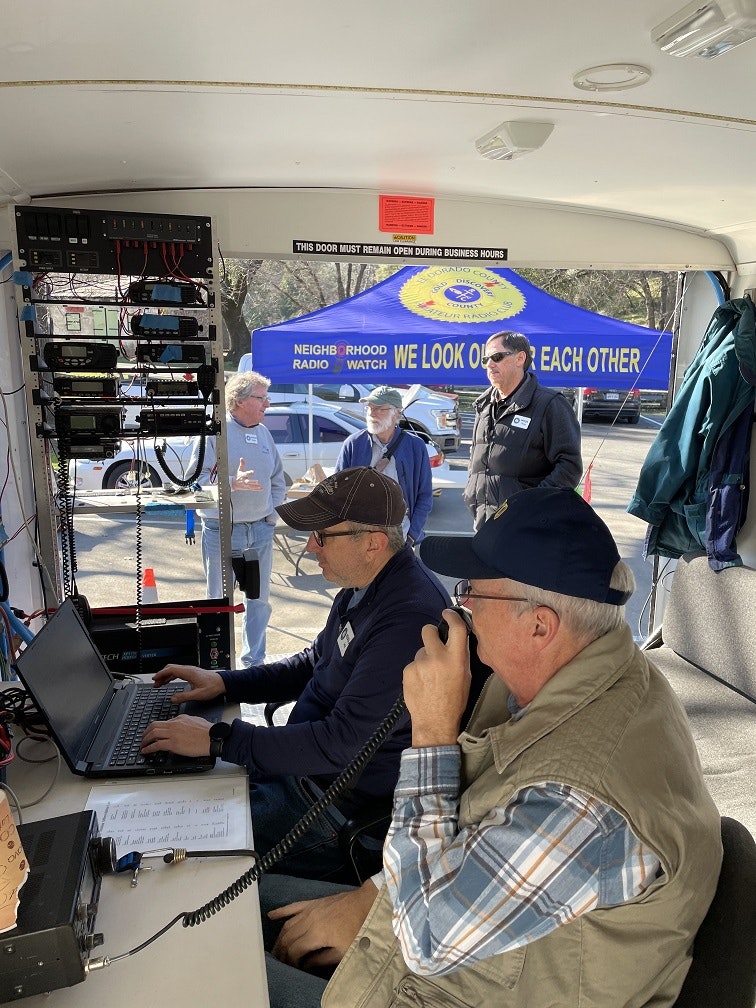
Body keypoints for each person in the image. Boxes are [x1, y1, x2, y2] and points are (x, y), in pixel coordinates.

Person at [258, 487, 723, 1008]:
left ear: (540, 625)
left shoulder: (579, 802)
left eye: (474, 593)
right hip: (457, 937)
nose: (460, 607)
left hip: (443, 970)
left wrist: (431, 734)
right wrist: (370, 896)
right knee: (242, 907)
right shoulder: (555, 676)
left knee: (210, 971)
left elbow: (424, 939)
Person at [141, 466, 450, 881]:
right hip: (301, 774)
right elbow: (312, 663)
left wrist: (218, 739)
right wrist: (225, 682)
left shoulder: (407, 619)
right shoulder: (365, 584)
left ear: (373, 543)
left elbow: (341, 745)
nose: (309, 547)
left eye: (322, 535)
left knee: (186, 853)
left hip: (330, 809)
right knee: (180, 800)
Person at [188, 369, 286, 667]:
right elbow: (194, 487)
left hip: (260, 531)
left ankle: (253, 664)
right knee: (218, 600)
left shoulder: (264, 433)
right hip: (221, 531)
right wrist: (230, 483)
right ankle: (217, 665)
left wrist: (271, 515)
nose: (267, 404)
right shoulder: (213, 433)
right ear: (240, 400)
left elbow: (278, 480)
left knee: (259, 601)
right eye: (261, 398)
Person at [465, 330, 582, 530]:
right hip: (484, 525)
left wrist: (530, 507)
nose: (490, 364)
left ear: (520, 358)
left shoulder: (550, 405)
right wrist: (471, 494)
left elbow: (569, 467)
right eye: (486, 359)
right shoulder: (484, 405)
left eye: (497, 357)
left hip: (528, 530)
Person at [335, 385, 433, 545]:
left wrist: (411, 535)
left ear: (397, 414)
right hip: (362, 534)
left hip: (401, 533)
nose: (371, 413)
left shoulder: (415, 447)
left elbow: (425, 496)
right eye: (369, 408)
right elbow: (338, 492)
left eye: (379, 409)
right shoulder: (353, 444)